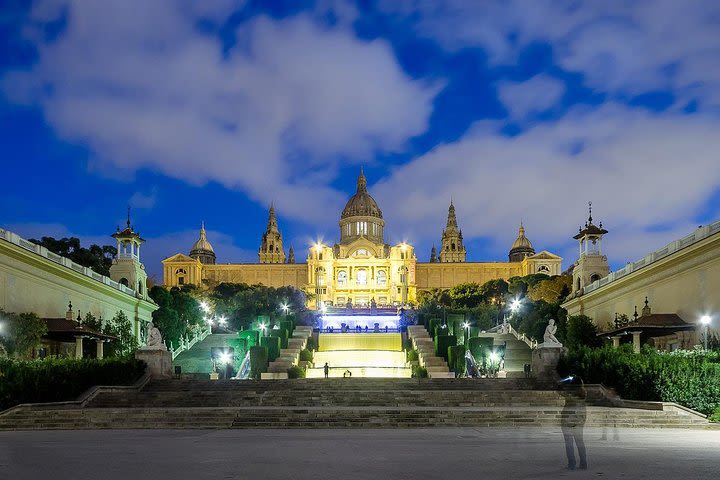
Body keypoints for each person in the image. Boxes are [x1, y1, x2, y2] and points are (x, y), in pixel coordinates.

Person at [560, 376, 588, 470]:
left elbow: (559, 389)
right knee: (580, 442)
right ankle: (583, 463)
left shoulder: (570, 394)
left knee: (569, 443)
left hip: (567, 421)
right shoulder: (583, 393)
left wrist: (566, 380)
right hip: (579, 421)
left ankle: (572, 464)